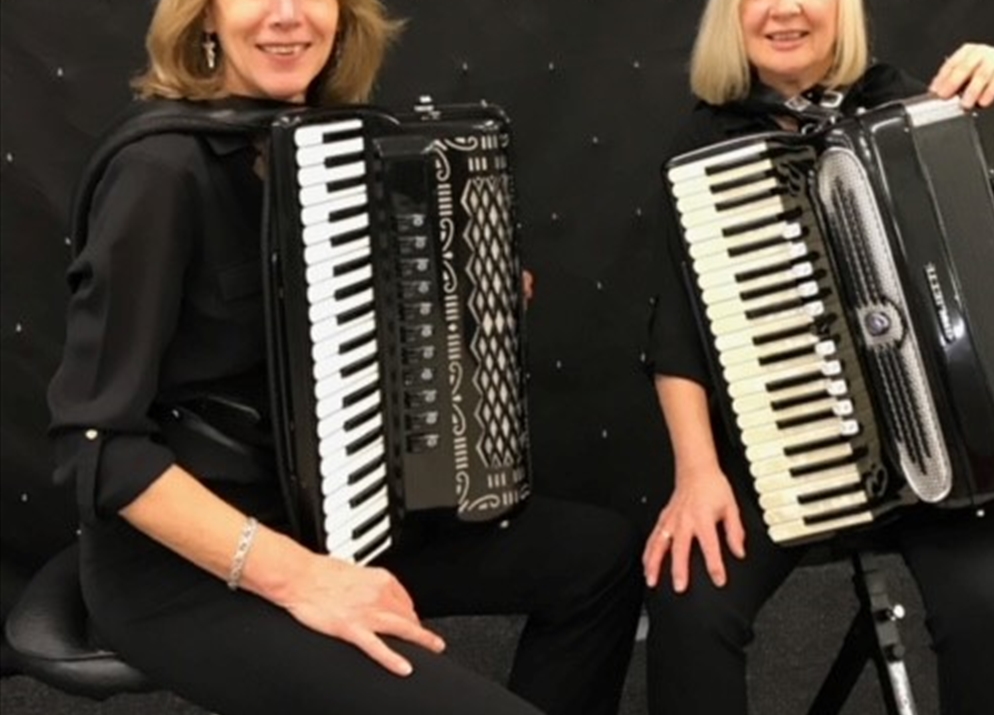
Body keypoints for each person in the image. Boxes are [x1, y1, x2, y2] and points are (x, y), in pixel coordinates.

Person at [45, 2, 642, 714]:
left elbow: (341, 348)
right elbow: (98, 446)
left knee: (597, 558)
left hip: (337, 514)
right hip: (191, 566)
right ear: (204, 18)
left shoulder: (337, 147)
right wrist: (300, 578)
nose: (287, 17)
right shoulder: (160, 170)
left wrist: (463, 303)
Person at [642, 1, 994, 714]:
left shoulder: (925, 106)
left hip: (950, 453)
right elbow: (679, 332)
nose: (785, 9)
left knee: (988, 612)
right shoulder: (703, 143)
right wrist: (696, 473)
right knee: (690, 599)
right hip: (785, 449)